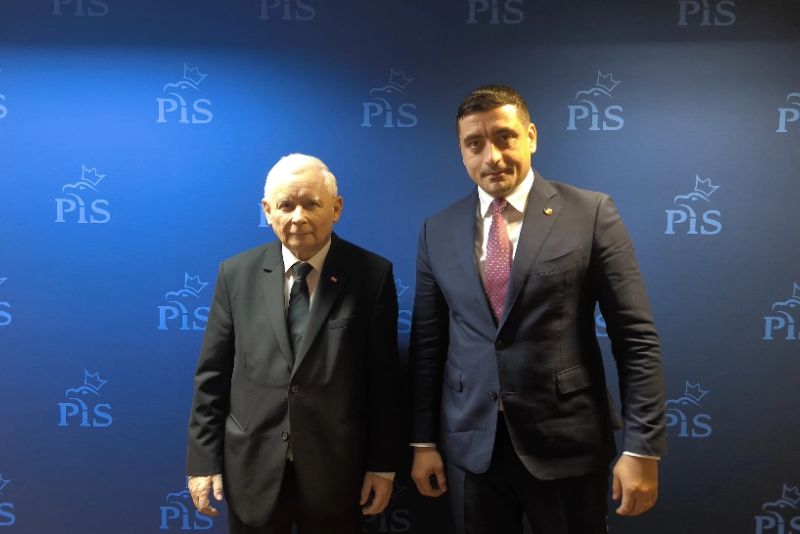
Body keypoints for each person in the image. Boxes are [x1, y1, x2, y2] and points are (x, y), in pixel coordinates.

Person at [409, 85, 666, 534]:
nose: (492, 156)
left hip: (567, 445)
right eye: (475, 143)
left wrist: (642, 446)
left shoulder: (590, 213)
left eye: (504, 137)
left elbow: (635, 338)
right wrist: (422, 441)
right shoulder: (437, 229)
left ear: (531, 136)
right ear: (462, 152)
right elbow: (429, 346)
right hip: (472, 449)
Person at [186, 154, 401, 534]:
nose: (297, 217)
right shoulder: (235, 275)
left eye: (311, 204)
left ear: (336, 208)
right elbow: (212, 376)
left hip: (337, 472)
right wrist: (203, 463)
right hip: (252, 470)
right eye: (285, 205)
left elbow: (384, 381)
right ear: (267, 211)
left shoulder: (372, 275)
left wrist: (382, 465)